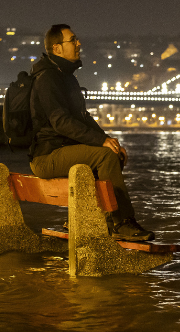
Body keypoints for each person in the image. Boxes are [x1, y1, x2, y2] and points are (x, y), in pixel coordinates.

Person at [28, 24, 154, 242]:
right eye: (73, 40)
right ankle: (122, 222)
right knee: (104, 156)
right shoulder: (48, 78)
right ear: (57, 48)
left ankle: (91, 218)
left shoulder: (65, 76)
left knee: (112, 153)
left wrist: (108, 140)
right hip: (47, 155)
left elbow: (83, 118)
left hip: (62, 149)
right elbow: (60, 121)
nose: (79, 44)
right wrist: (101, 142)